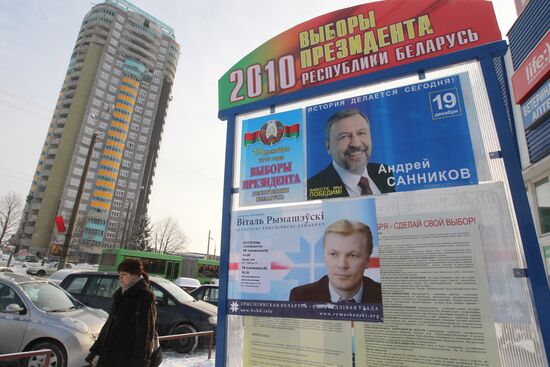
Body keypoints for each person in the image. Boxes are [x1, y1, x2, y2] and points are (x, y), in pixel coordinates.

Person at [307, 108, 395, 199]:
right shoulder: (310, 189)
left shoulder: (386, 172)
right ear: (328, 146)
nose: (356, 144)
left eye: (361, 133)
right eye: (344, 136)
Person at [289, 219, 382, 303]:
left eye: (353, 255)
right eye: (334, 254)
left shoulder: (383, 295)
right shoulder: (300, 297)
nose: (342, 265)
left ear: (367, 261)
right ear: (324, 258)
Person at [85, 259, 156, 367]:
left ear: (136, 275)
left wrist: (139, 362)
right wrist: (96, 350)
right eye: (119, 274)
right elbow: (109, 325)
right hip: (109, 354)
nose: (120, 278)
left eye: (124, 274)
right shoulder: (120, 295)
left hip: (126, 358)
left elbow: (146, 333)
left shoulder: (144, 297)